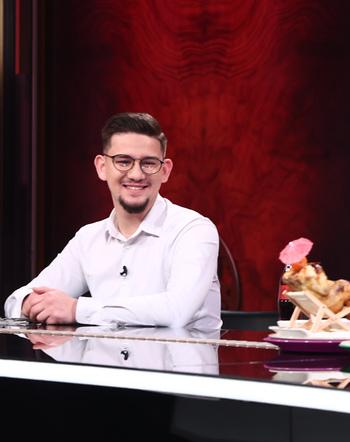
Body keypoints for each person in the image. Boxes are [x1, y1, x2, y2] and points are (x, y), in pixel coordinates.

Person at [3, 112, 221, 329]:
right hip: (100, 353)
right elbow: (16, 300)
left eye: (149, 163)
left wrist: (76, 309)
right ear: (102, 167)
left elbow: (177, 311)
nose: (136, 174)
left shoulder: (193, 231)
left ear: (165, 171)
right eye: (123, 162)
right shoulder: (89, 238)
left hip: (181, 353)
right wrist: (30, 303)